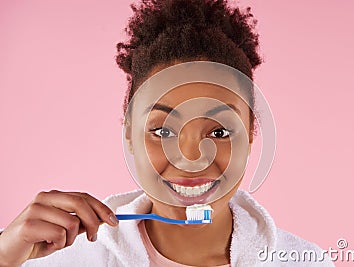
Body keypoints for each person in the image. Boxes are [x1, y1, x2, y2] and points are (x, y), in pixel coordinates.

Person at [0, 0, 334, 266]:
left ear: (250, 134)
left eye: (218, 132)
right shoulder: (60, 258)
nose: (190, 159)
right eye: (162, 130)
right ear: (130, 133)